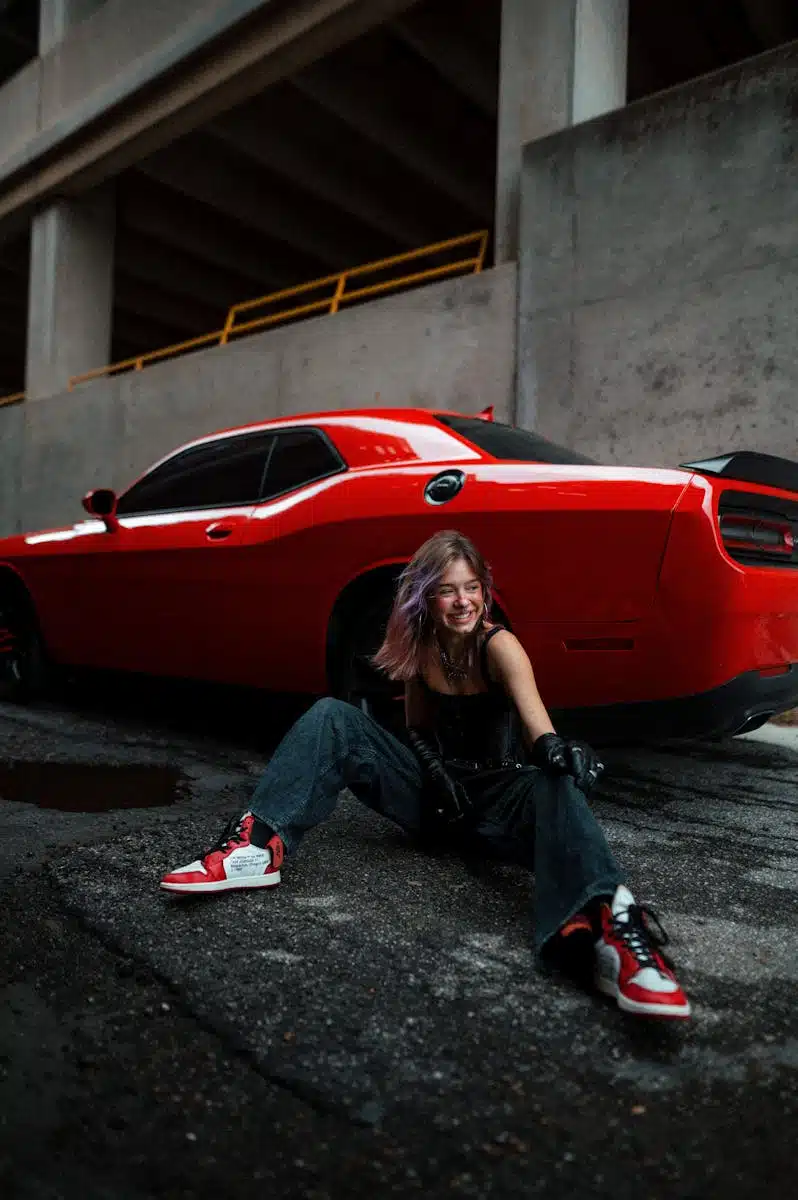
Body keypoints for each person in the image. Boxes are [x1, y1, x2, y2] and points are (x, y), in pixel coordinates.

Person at [161, 530, 691, 1020]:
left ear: (485, 591)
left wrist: (562, 754)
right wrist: (435, 773)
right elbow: (415, 730)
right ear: (424, 598)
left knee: (553, 784)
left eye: (472, 588)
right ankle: (256, 844)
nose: (463, 601)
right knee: (332, 716)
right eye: (446, 590)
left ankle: (610, 929)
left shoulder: (499, 646)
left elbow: (539, 734)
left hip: (497, 803)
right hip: (438, 802)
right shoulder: (423, 647)